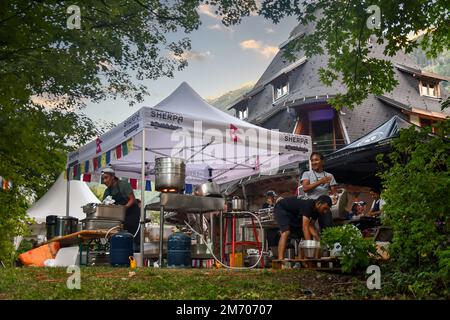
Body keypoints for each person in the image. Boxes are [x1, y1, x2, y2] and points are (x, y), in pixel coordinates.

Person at [274, 195, 333, 260]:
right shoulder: (308, 205)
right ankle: (280, 260)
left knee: (303, 237)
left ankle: (302, 260)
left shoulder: (318, 211)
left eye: (327, 209)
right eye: (324, 208)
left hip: (293, 214)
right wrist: (310, 244)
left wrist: (317, 238)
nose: (325, 211)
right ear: (318, 204)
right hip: (281, 208)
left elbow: (311, 226)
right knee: (286, 232)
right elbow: (305, 228)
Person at [102, 166, 141, 251]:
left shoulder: (123, 184)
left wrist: (124, 208)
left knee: (131, 237)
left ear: (113, 177)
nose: (104, 181)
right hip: (119, 217)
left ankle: (133, 255)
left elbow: (132, 199)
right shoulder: (107, 191)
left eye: (106, 178)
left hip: (131, 214)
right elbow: (104, 205)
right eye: (103, 179)